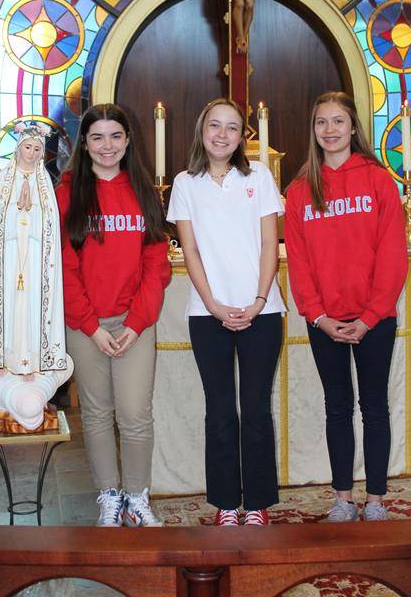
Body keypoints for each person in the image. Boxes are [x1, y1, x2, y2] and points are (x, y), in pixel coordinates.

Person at [285, 92, 408, 522]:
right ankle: (342, 498)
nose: (331, 130)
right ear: (313, 130)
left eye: (339, 122)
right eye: (322, 123)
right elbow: (298, 262)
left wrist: (370, 316)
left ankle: (375, 500)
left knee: (374, 406)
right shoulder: (300, 190)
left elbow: (393, 255)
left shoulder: (378, 180)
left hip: (375, 319)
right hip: (325, 322)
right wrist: (319, 317)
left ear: (354, 127)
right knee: (337, 405)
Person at [167, 97, 285, 526]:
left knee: (255, 407)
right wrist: (215, 306)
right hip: (207, 313)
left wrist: (256, 300)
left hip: (263, 311)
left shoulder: (259, 177)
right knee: (219, 410)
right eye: (214, 125)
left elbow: (271, 243)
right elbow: (190, 249)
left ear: (242, 136)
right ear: (202, 130)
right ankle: (225, 504)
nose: (222, 134)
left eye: (232, 127)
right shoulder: (185, 183)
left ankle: (256, 503)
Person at [56, 103, 171, 527]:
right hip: (85, 323)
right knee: (97, 412)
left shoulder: (142, 190)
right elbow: (63, 267)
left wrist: (137, 322)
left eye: (115, 136)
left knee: (135, 413)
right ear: (84, 144)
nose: (107, 146)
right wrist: (89, 326)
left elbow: (156, 265)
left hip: (134, 322)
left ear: (128, 140)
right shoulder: (68, 193)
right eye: (97, 137)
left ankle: (137, 498)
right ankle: (109, 495)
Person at [0, 122, 74, 431]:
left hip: (36, 264)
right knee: (10, 310)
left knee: (31, 311)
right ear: (18, 150)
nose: (32, 152)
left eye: (38, 148)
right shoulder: (5, 180)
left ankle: (31, 363)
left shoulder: (44, 184)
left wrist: (32, 215)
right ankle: (4, 362)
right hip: (10, 260)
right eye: (28, 147)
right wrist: (19, 214)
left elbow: (50, 227)